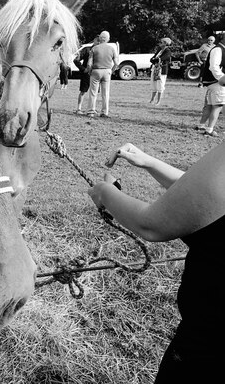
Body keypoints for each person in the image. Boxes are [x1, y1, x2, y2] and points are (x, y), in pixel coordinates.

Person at [87, 142, 225, 383]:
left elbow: (151, 224)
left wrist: (105, 192)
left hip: (209, 343)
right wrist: (150, 162)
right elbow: (206, 194)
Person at [195, 35, 225, 136]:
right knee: (217, 106)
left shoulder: (219, 49)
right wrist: (221, 78)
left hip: (214, 82)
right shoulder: (218, 50)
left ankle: (202, 126)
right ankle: (209, 129)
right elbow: (214, 66)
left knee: (210, 105)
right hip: (217, 82)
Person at [86, 31, 118, 118]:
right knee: (105, 93)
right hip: (107, 71)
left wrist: (89, 71)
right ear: (108, 39)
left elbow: (89, 64)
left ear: (100, 38)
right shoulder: (112, 49)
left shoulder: (94, 48)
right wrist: (112, 70)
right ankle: (104, 112)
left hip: (96, 71)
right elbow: (116, 63)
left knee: (93, 92)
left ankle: (91, 111)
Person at [73, 36, 99, 115]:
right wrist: (83, 69)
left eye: (100, 41)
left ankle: (92, 108)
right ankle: (79, 108)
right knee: (83, 91)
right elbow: (76, 60)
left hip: (96, 74)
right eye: (97, 40)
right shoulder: (87, 50)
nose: (98, 42)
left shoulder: (101, 50)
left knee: (94, 92)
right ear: (94, 40)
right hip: (86, 74)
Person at [148, 37, 172, 105]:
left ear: (165, 43)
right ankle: (152, 99)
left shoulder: (168, 51)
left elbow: (162, 59)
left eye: (161, 42)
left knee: (160, 85)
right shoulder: (159, 50)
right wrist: (155, 59)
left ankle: (158, 101)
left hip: (162, 70)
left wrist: (156, 59)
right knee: (154, 84)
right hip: (155, 69)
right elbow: (152, 59)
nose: (160, 44)